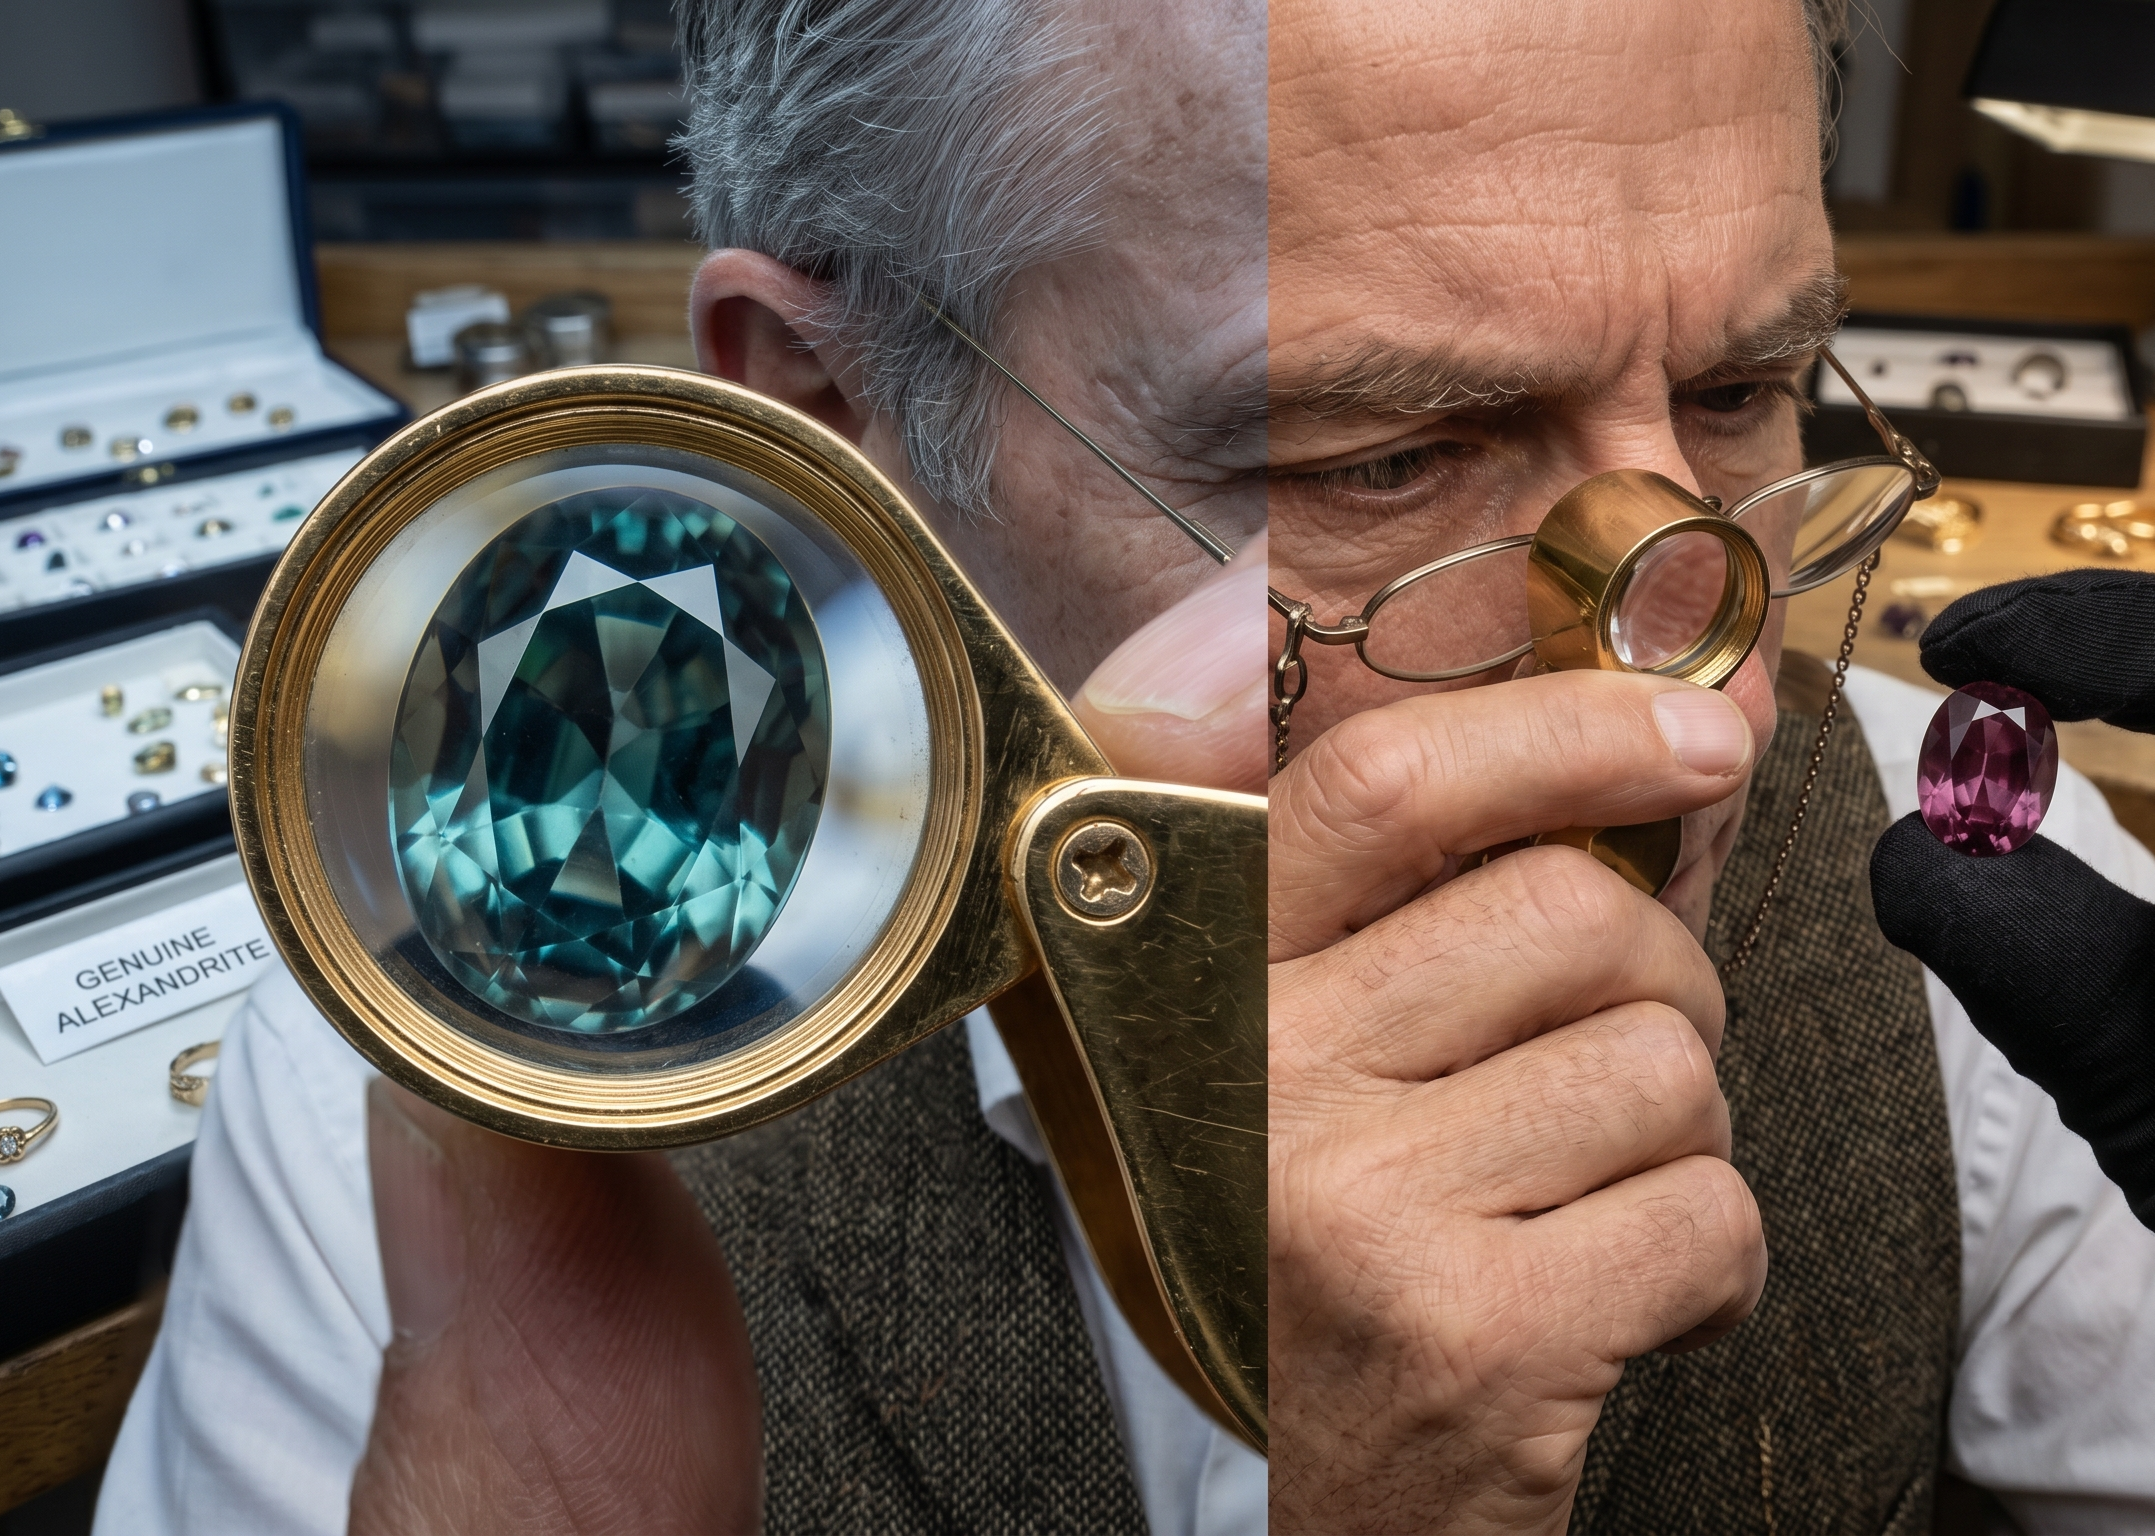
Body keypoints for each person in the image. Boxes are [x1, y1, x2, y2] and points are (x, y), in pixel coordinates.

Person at [94, 1, 1265, 1533]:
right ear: (826, 407)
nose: (1671, 695)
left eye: (1701, 403)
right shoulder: (377, 1123)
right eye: (1352, 460)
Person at [1266, 0, 2155, 1531]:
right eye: (1388, 457)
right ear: (847, 418)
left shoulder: (1984, 927)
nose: (1719, 714)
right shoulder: (713, 1201)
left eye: (1735, 396)